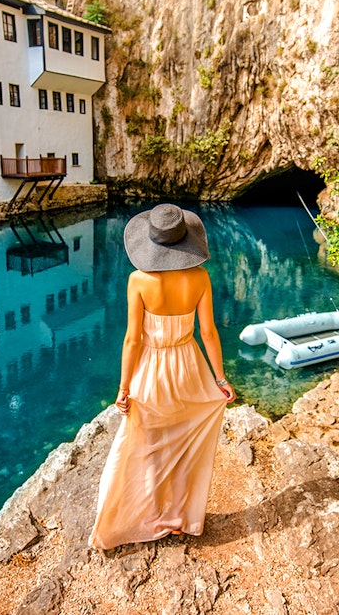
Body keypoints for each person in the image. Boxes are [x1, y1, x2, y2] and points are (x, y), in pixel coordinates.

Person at [89, 203, 236, 550]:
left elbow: (133, 339)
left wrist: (123, 388)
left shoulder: (139, 280)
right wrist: (220, 379)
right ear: (185, 241)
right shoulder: (200, 277)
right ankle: (181, 519)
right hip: (189, 366)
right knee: (184, 444)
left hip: (152, 371)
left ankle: (157, 518)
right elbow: (209, 332)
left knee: (151, 448)